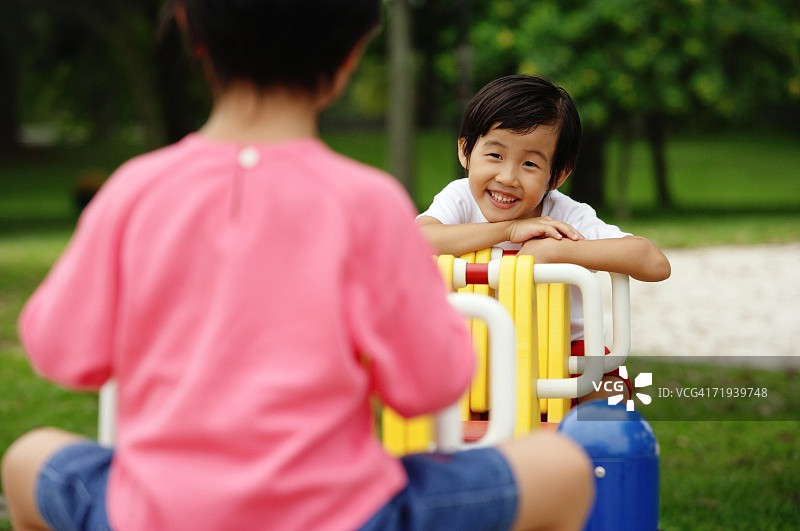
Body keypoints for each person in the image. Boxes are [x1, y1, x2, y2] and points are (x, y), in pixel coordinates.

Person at [1, 3, 594, 530]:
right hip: (347, 515)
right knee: (561, 467)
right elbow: (431, 384)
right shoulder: (367, 203)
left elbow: (60, 352)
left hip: (152, 515)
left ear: (189, 27)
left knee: (29, 458)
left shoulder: (135, 190)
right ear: (352, 52)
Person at [417, 75, 671, 402]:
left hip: (564, 352)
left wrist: (558, 251)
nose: (507, 177)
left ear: (558, 175)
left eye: (530, 164)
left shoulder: (564, 215)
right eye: (495, 155)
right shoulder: (460, 199)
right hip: (473, 356)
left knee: (613, 393)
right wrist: (508, 231)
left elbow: (654, 262)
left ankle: (598, 446)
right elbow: (417, 240)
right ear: (466, 152)